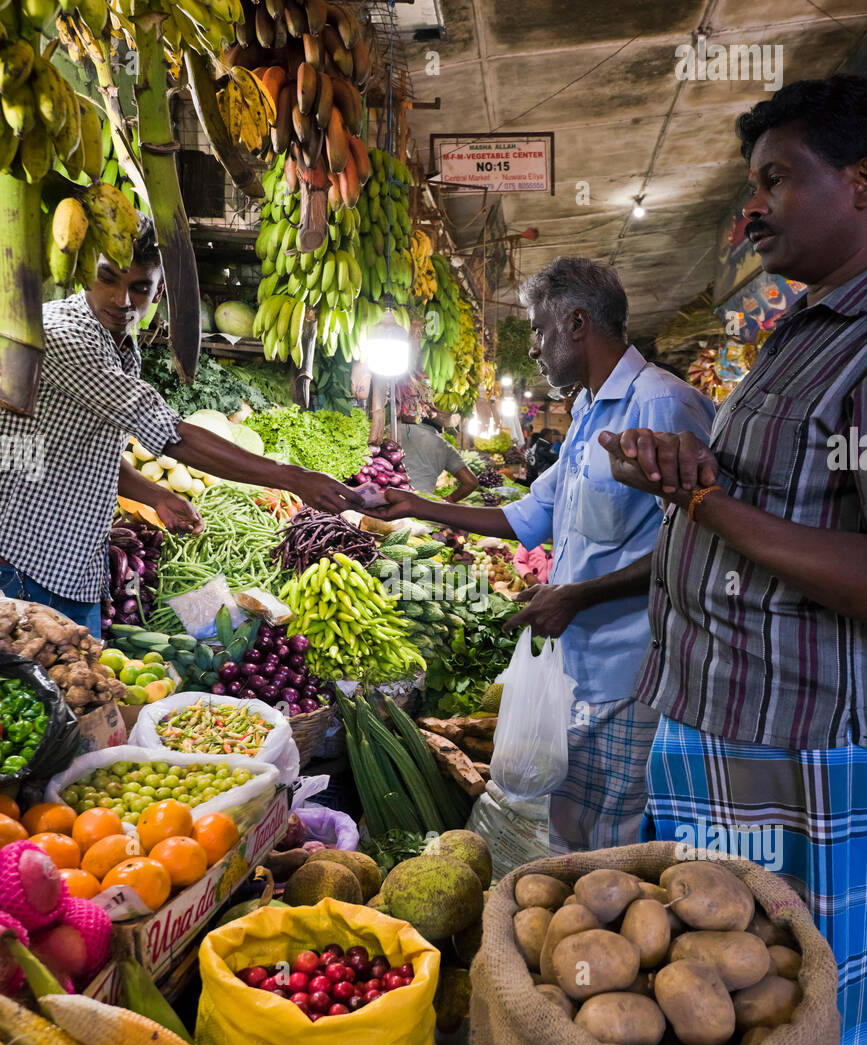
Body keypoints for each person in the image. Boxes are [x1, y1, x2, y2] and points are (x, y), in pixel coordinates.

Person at [600, 74, 867, 1045]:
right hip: (723, 736)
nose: (754, 210)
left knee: (806, 1026)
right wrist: (681, 482)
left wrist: (701, 500)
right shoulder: (803, 333)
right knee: (733, 1016)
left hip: (795, 748)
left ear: (860, 182)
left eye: (777, 181)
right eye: (751, 183)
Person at [385, 255, 714, 851]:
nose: (534, 348)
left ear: (578, 323)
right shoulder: (587, 412)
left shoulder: (664, 406)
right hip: (576, 670)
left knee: (612, 849)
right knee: (570, 836)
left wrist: (579, 595)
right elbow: (530, 515)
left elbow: (698, 545)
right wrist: (413, 505)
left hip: (631, 673)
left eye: (539, 329)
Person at [0, 218, 360, 635]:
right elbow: (171, 433)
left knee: (79, 691)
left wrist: (156, 495)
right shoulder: (67, 337)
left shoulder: (115, 340)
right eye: (107, 280)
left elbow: (79, 451)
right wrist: (290, 477)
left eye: (139, 288)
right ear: (85, 275)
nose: (122, 300)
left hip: (68, 559)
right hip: (26, 564)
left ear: (160, 291)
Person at [399, 414, 479, 501]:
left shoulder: (391, 431)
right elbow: (471, 482)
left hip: (390, 499)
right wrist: (449, 499)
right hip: (422, 505)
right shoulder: (444, 446)